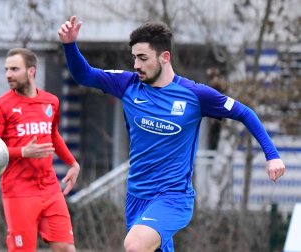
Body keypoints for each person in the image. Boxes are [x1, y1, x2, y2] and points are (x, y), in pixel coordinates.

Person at [58, 16, 286, 252]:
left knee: (135, 246)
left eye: (143, 58)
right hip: (136, 197)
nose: (136, 65)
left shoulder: (195, 95)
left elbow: (245, 113)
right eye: (134, 57)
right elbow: (84, 75)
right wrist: (69, 44)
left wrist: (272, 155)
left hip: (173, 198)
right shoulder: (127, 84)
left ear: (165, 57)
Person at [0, 48, 81, 252]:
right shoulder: (1, 106)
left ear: (31, 71)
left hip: (49, 187)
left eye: (14, 69)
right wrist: (22, 152)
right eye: (6, 69)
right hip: (18, 190)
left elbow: (52, 134)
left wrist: (72, 163)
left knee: (66, 248)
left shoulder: (51, 101)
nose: (8, 75)